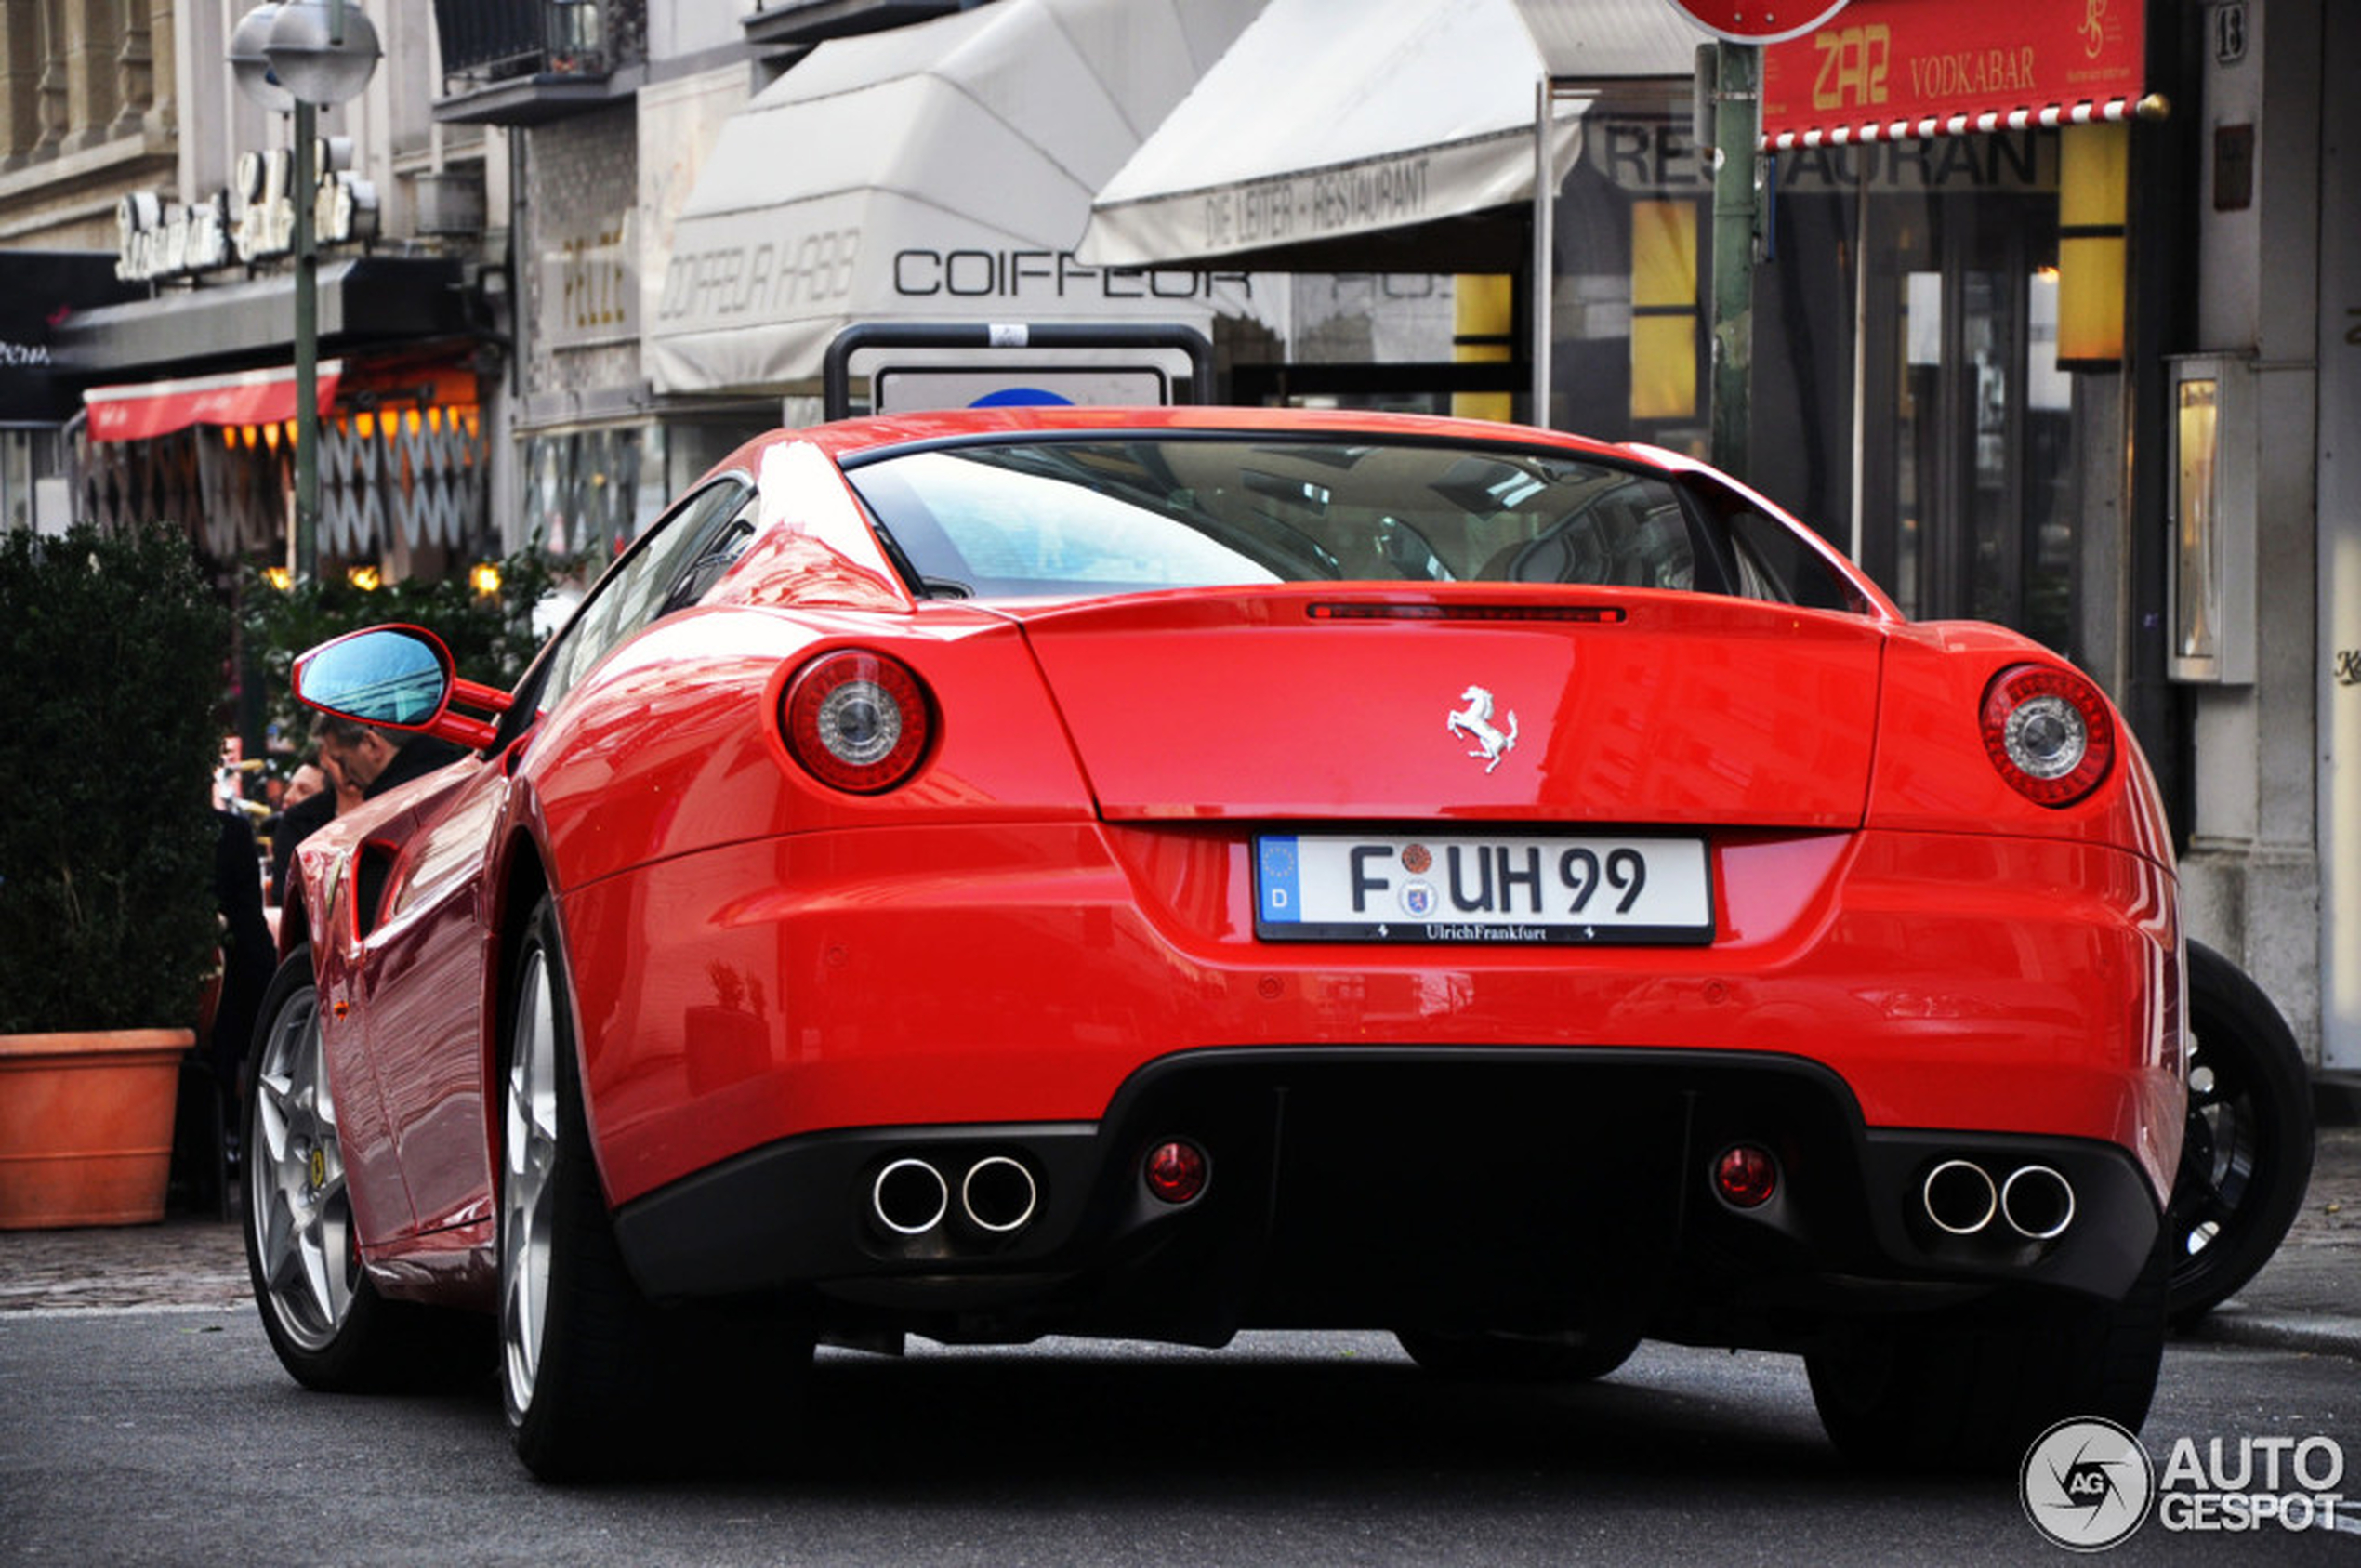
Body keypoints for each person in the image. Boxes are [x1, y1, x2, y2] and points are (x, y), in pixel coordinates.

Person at [312, 713, 468, 801]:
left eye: (342, 761)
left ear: (371, 744)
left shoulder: (388, 814)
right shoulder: (461, 769)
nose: (346, 779)